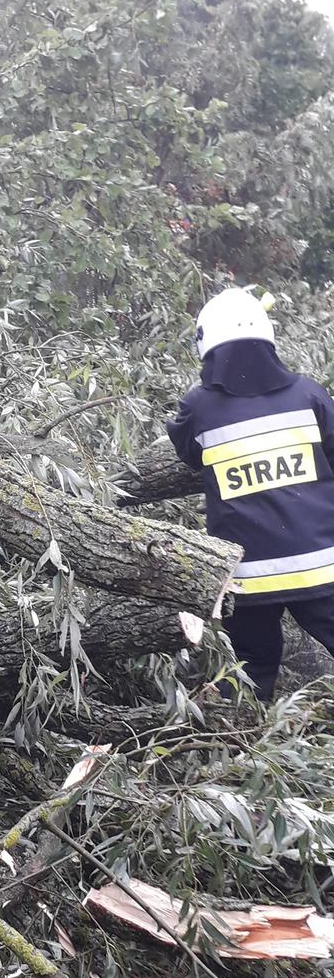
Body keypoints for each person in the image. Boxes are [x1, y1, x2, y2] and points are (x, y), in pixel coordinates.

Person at [167, 286, 334, 701]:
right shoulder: (310, 396)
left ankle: (239, 731)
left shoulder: (198, 408)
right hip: (320, 568)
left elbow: (188, 450)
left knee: (250, 666)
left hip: (247, 576)